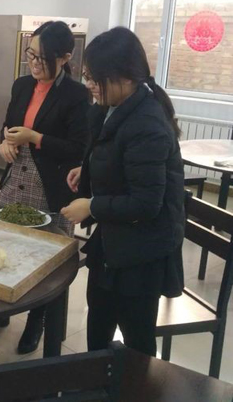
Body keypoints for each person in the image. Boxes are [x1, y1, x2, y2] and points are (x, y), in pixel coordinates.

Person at [61, 26, 185, 356]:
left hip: (142, 252)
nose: (89, 84)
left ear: (125, 76)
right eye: (87, 76)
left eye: (95, 78)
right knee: (98, 321)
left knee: (136, 341)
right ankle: (97, 377)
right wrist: (86, 170)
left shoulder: (148, 124)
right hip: (115, 241)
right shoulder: (113, 106)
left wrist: (91, 206)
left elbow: (146, 203)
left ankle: (130, 382)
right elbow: (113, 156)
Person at [0, 21, 91, 354]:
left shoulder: (76, 95)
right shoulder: (22, 85)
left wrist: (35, 138)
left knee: (44, 256)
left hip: (51, 186)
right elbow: (7, 126)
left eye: (43, 58)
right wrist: (3, 144)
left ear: (65, 57)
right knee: (3, 247)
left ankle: (36, 320)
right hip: (17, 180)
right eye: (31, 55)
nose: (35, 64)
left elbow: (78, 149)